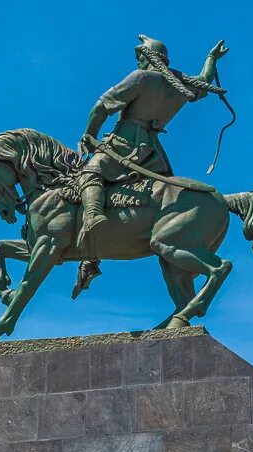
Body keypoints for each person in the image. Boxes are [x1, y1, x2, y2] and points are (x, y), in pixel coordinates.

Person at [73, 35, 229, 293]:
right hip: (154, 155)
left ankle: (92, 222)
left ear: (146, 58)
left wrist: (89, 135)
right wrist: (211, 59)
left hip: (123, 145)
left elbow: (101, 107)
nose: (138, 61)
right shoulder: (177, 83)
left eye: (140, 57)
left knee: (89, 174)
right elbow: (205, 82)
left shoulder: (141, 77)